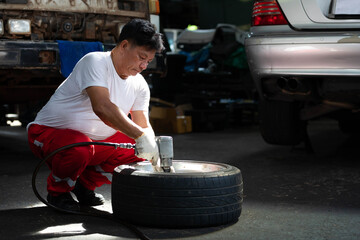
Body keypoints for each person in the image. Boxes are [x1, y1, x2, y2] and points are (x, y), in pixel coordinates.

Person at [27, 19, 164, 211]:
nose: (144, 66)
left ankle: (84, 186)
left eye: (148, 61)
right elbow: (102, 107)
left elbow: (142, 124)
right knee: (80, 148)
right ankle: (58, 192)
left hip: (90, 144)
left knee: (139, 153)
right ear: (124, 45)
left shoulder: (139, 84)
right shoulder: (95, 61)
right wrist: (141, 136)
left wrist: (151, 146)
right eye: (141, 57)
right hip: (48, 134)